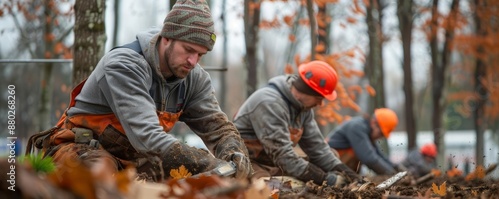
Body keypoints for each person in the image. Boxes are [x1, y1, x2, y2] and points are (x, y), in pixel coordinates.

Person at [28, 0, 252, 182]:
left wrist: (234, 156)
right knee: (100, 178)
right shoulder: (125, 65)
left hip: (136, 160)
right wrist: (211, 163)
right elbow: (149, 139)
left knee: (203, 185)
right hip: (83, 150)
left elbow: (219, 129)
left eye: (200, 55)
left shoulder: (195, 79)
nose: (193, 61)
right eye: (188, 50)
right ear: (167, 37)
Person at [233, 60, 363, 187]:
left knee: (331, 156)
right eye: (318, 98)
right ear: (306, 91)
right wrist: (323, 178)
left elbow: (319, 150)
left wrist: (350, 175)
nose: (320, 104)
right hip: (248, 163)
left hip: (274, 163)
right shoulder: (270, 103)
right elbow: (283, 156)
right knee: (271, 187)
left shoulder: (303, 108)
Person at [326, 108, 403, 175]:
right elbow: (369, 158)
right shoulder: (357, 127)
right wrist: (391, 174)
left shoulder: (367, 133)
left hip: (340, 168)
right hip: (328, 165)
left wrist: (397, 169)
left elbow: (379, 156)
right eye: (380, 134)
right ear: (373, 122)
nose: (380, 137)